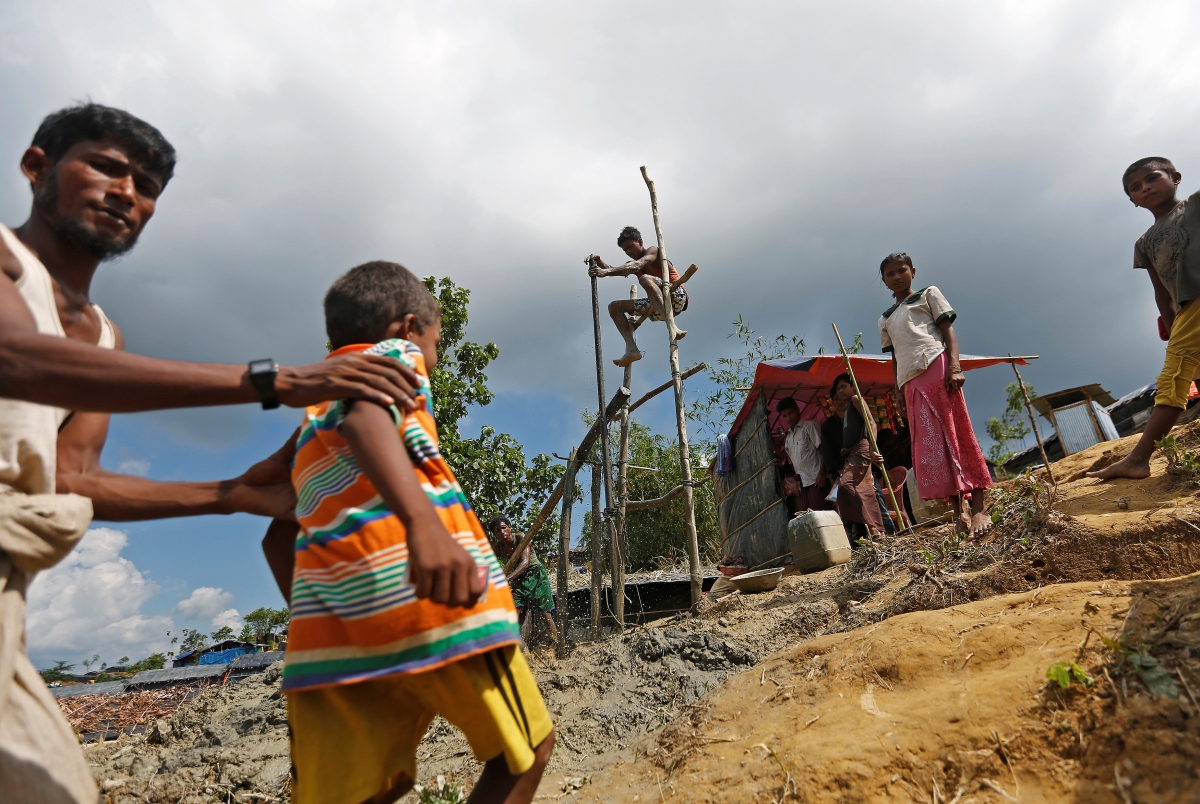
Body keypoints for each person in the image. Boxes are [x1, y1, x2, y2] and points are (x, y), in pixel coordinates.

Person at [0, 103, 422, 804]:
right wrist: (277, 382)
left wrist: (232, 495)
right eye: (105, 165)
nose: (126, 192)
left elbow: (74, 479)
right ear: (37, 167)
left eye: (147, 185)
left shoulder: (105, 337)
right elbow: (15, 358)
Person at [284, 261, 554, 804]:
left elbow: (278, 525)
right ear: (410, 327)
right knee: (526, 750)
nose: (432, 359)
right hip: (435, 604)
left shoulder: (312, 419)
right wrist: (425, 527)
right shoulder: (390, 360)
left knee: (364, 792)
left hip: (335, 639)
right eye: (436, 343)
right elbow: (367, 417)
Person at [1089, 158, 1200, 481]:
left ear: (1175, 177)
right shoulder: (1144, 243)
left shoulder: (1195, 205)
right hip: (1187, 312)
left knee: (1173, 378)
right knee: (1193, 369)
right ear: (1132, 201)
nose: (1145, 187)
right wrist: (1172, 323)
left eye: (1152, 178)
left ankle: (1139, 458)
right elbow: (1161, 290)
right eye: (1135, 188)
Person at [878, 252, 992, 537]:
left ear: (913, 271)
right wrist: (898, 391)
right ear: (884, 281)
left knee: (957, 433)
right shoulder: (885, 319)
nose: (897, 276)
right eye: (890, 274)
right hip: (910, 384)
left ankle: (978, 506)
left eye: (901, 270)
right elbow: (894, 358)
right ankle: (959, 512)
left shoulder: (928, 295)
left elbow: (947, 332)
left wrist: (955, 367)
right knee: (933, 447)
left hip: (936, 367)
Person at [585, 225, 689, 366]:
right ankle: (632, 349)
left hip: (675, 296)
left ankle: (672, 326)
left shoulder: (653, 252)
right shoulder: (633, 264)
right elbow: (615, 269)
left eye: (630, 246)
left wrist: (605, 272)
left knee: (645, 278)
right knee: (614, 307)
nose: (628, 252)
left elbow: (635, 266)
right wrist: (600, 262)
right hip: (656, 306)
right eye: (625, 250)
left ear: (640, 242)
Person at [828, 372, 886, 543]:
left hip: (861, 451)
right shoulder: (848, 409)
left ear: (853, 386)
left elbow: (871, 423)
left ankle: (874, 527)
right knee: (862, 490)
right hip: (853, 452)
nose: (840, 391)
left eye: (843, 386)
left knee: (845, 485)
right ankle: (871, 533)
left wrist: (872, 450)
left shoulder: (856, 399)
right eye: (838, 389)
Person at [488, 515, 559, 644]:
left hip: (536, 576)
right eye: (498, 530)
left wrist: (506, 579)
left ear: (509, 528)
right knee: (515, 615)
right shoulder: (497, 548)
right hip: (518, 581)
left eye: (504, 528)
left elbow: (525, 563)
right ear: (494, 534)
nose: (502, 532)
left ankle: (557, 644)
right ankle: (522, 651)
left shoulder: (520, 538)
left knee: (545, 614)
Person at [776, 397, 825, 511]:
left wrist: (821, 474)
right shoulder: (788, 439)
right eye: (785, 415)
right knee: (812, 519)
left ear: (797, 410)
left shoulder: (809, 427)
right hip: (804, 484)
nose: (789, 418)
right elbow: (795, 462)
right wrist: (797, 484)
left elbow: (824, 450)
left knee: (824, 515)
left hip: (817, 481)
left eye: (790, 413)